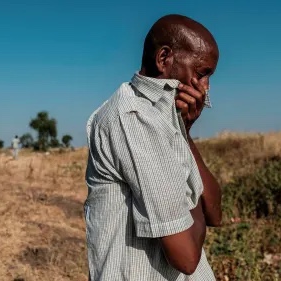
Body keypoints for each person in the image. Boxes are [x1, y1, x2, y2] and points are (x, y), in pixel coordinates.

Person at [84, 14, 222, 280]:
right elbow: (186, 257)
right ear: (164, 58)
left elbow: (215, 213)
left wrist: (184, 133)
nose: (205, 89)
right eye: (201, 73)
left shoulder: (162, 119)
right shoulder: (135, 118)